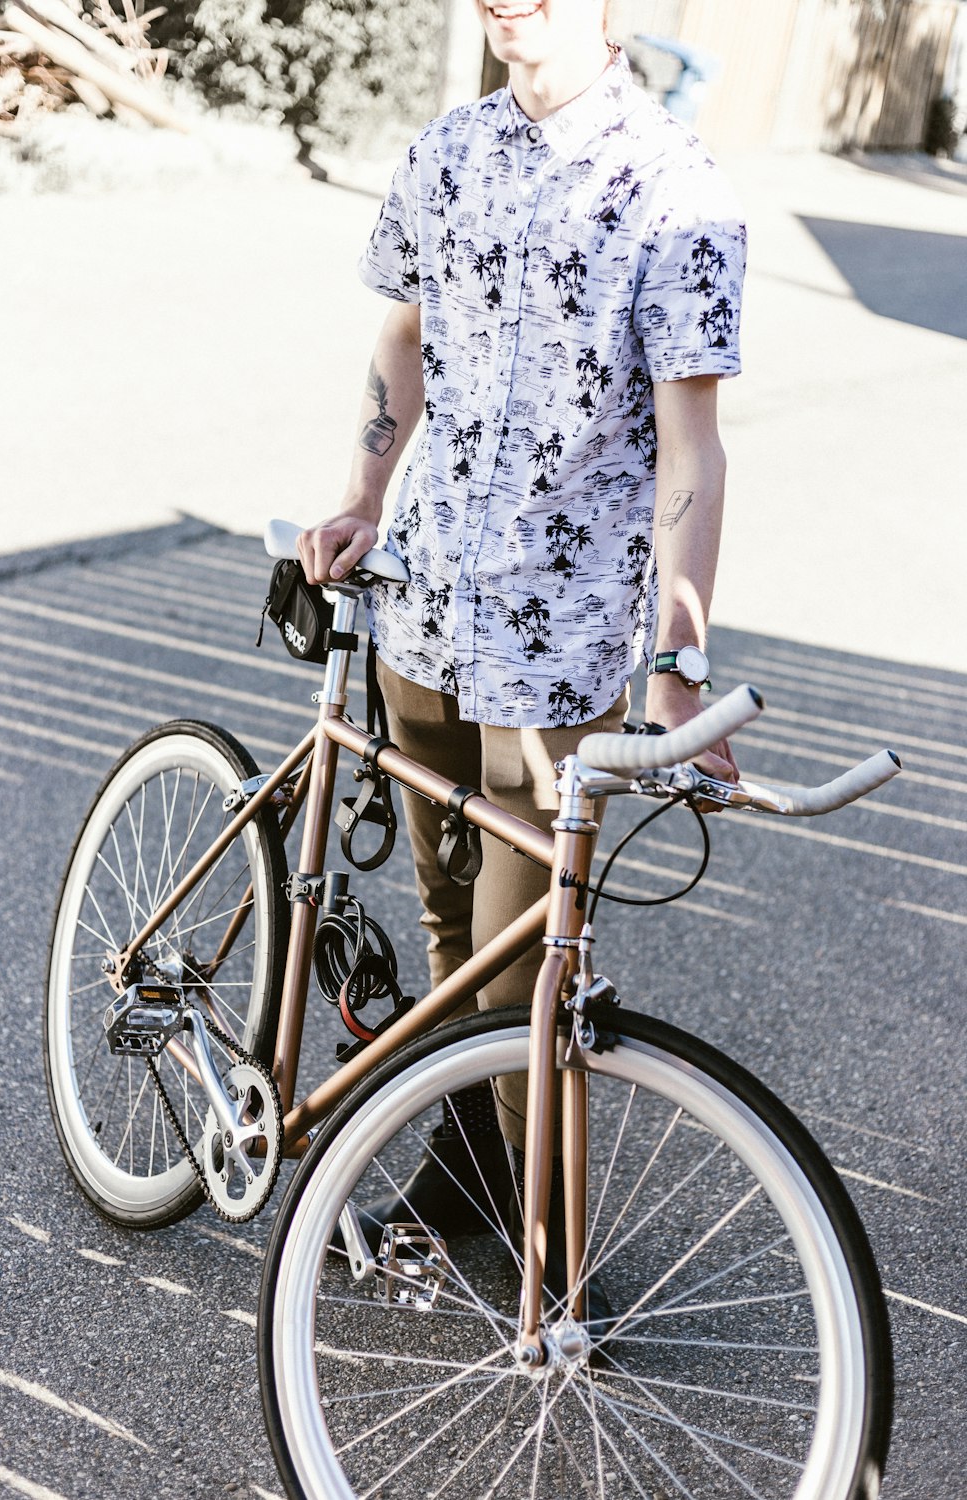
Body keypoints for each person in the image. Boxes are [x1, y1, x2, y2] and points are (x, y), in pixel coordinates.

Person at [300, 0, 746, 1312]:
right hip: (422, 606)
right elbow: (402, 337)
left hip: (551, 663)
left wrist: (679, 663)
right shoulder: (446, 151)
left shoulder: (678, 192)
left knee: (533, 983)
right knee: (452, 940)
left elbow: (694, 449)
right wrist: (364, 500)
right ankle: (465, 1183)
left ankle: (555, 1286)